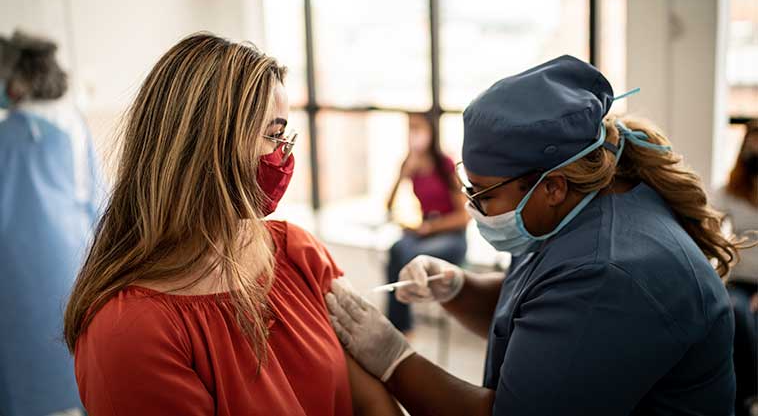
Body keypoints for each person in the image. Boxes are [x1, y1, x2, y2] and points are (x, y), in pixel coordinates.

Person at [326, 55, 752, 415]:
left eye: (485, 195)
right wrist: (457, 288)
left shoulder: (610, 271)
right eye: (469, 190)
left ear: (552, 185)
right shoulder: (573, 208)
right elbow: (539, 306)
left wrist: (393, 359)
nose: (475, 208)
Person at [63, 33, 401, 416]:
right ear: (210, 145)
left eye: (285, 135)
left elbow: (372, 402)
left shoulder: (297, 252)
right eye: (273, 135)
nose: (284, 155)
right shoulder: (130, 332)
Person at [0, 30, 102, 416]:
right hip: (71, 272)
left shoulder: (8, 136)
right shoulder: (74, 128)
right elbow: (101, 207)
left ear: (18, 80)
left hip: (14, 285)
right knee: (71, 378)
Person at [385, 113, 469, 332]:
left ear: (431, 132)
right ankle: (400, 326)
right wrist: (402, 175)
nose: (414, 135)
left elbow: (464, 217)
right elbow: (388, 206)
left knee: (408, 256)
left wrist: (430, 227)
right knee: (396, 249)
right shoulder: (410, 164)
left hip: (452, 236)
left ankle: (400, 326)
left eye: (418, 128)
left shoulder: (445, 165)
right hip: (426, 233)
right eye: (410, 129)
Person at [712, 120, 758, 416]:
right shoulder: (729, 191)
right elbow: (710, 227)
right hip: (739, 282)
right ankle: (748, 396)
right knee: (736, 311)